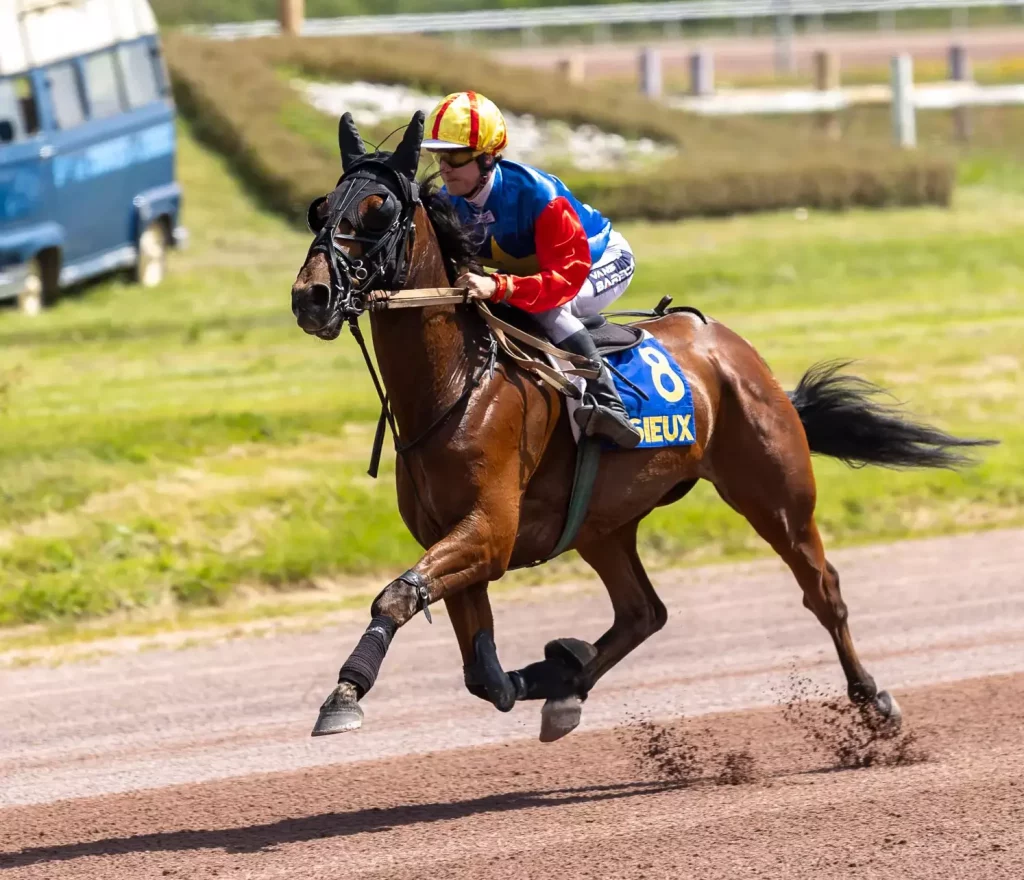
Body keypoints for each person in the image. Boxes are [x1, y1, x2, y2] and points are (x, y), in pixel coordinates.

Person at [424, 91, 641, 450]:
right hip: (540, 270)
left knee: (549, 311)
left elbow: (562, 283)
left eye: (456, 156)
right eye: (439, 156)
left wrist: (499, 287)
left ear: (488, 157)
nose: (445, 167)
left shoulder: (540, 196)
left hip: (599, 262)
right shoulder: (451, 202)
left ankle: (610, 404)